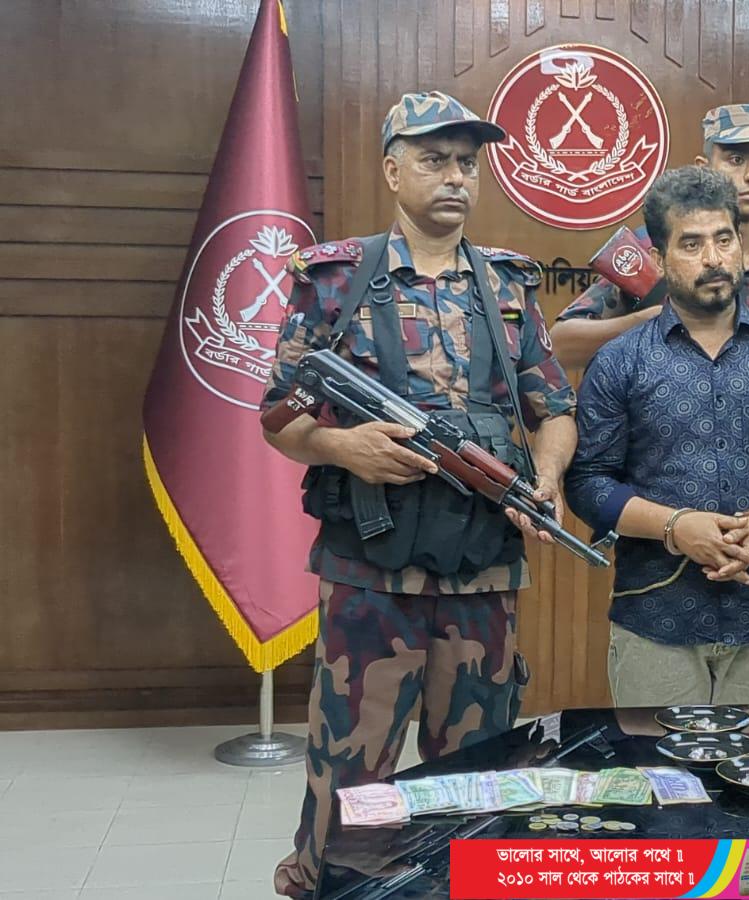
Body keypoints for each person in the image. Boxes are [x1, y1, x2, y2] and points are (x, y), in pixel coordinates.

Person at [259, 91, 576, 898]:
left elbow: (554, 411)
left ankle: (460, 885)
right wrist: (345, 447)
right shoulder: (335, 281)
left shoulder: (508, 287)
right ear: (393, 170)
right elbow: (279, 417)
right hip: (370, 574)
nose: (456, 177)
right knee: (350, 765)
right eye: (435, 160)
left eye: (468, 163)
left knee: (477, 768)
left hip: (481, 574)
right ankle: (332, 885)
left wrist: (544, 479)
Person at [549, 104, 749, 702]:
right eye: (691, 245)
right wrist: (676, 528)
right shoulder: (621, 359)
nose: (712, 258)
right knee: (657, 764)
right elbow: (589, 484)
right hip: (657, 615)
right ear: (659, 259)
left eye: (723, 240)